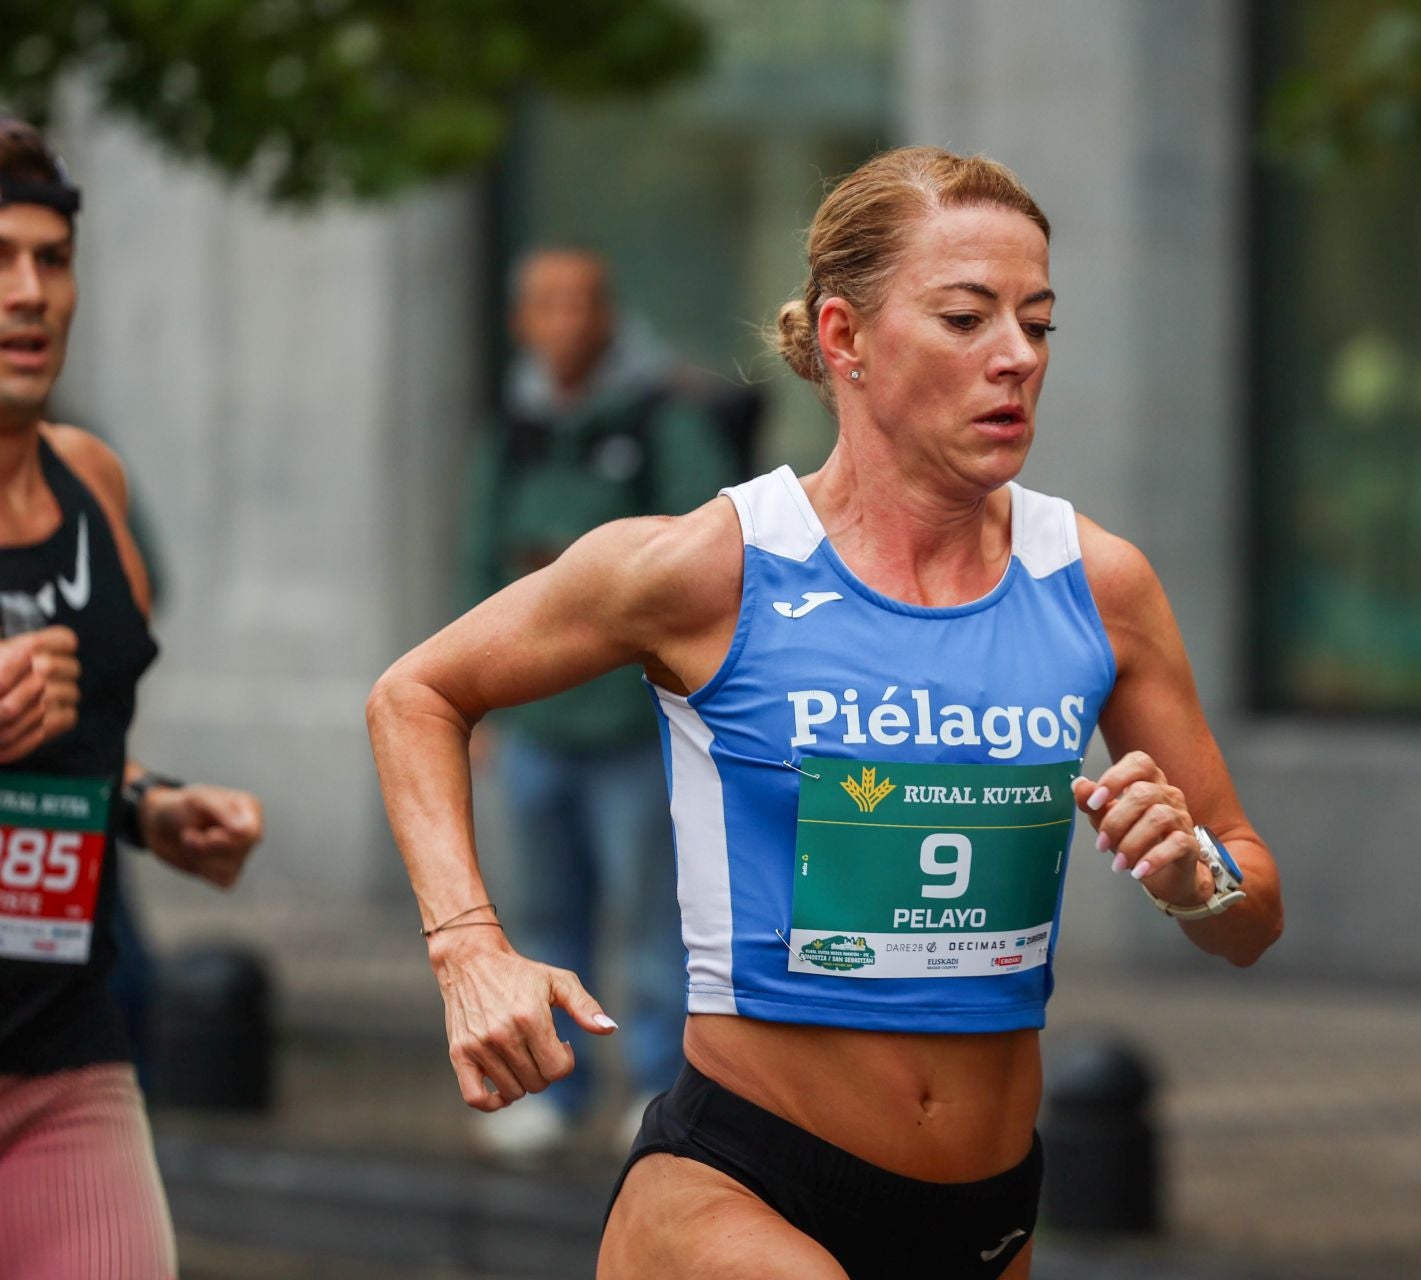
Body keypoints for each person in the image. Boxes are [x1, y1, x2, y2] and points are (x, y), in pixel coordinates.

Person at [367, 145, 1283, 1279]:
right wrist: (469, 948)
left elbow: (1251, 908)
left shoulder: (1098, 582)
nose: (1015, 357)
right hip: (745, 1186)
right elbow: (416, 690)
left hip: (990, 1212)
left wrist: (1199, 877)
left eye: (1038, 324)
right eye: (966, 318)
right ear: (845, 339)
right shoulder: (715, 565)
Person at [0, 117, 265, 1278]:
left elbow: (80, 750)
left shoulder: (92, 480)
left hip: (66, 1044)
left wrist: (151, 807)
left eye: (51, 260)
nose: (27, 294)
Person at [461, 246, 738, 1159]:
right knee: (544, 914)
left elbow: (691, 549)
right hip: (536, 721)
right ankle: (553, 1083)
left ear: (607, 313)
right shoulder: (515, 423)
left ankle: (660, 1085)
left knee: (655, 921)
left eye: (582, 302)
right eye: (546, 304)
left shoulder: (660, 414)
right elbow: (477, 562)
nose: (566, 322)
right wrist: (477, 703)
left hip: (630, 722)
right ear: (521, 322)